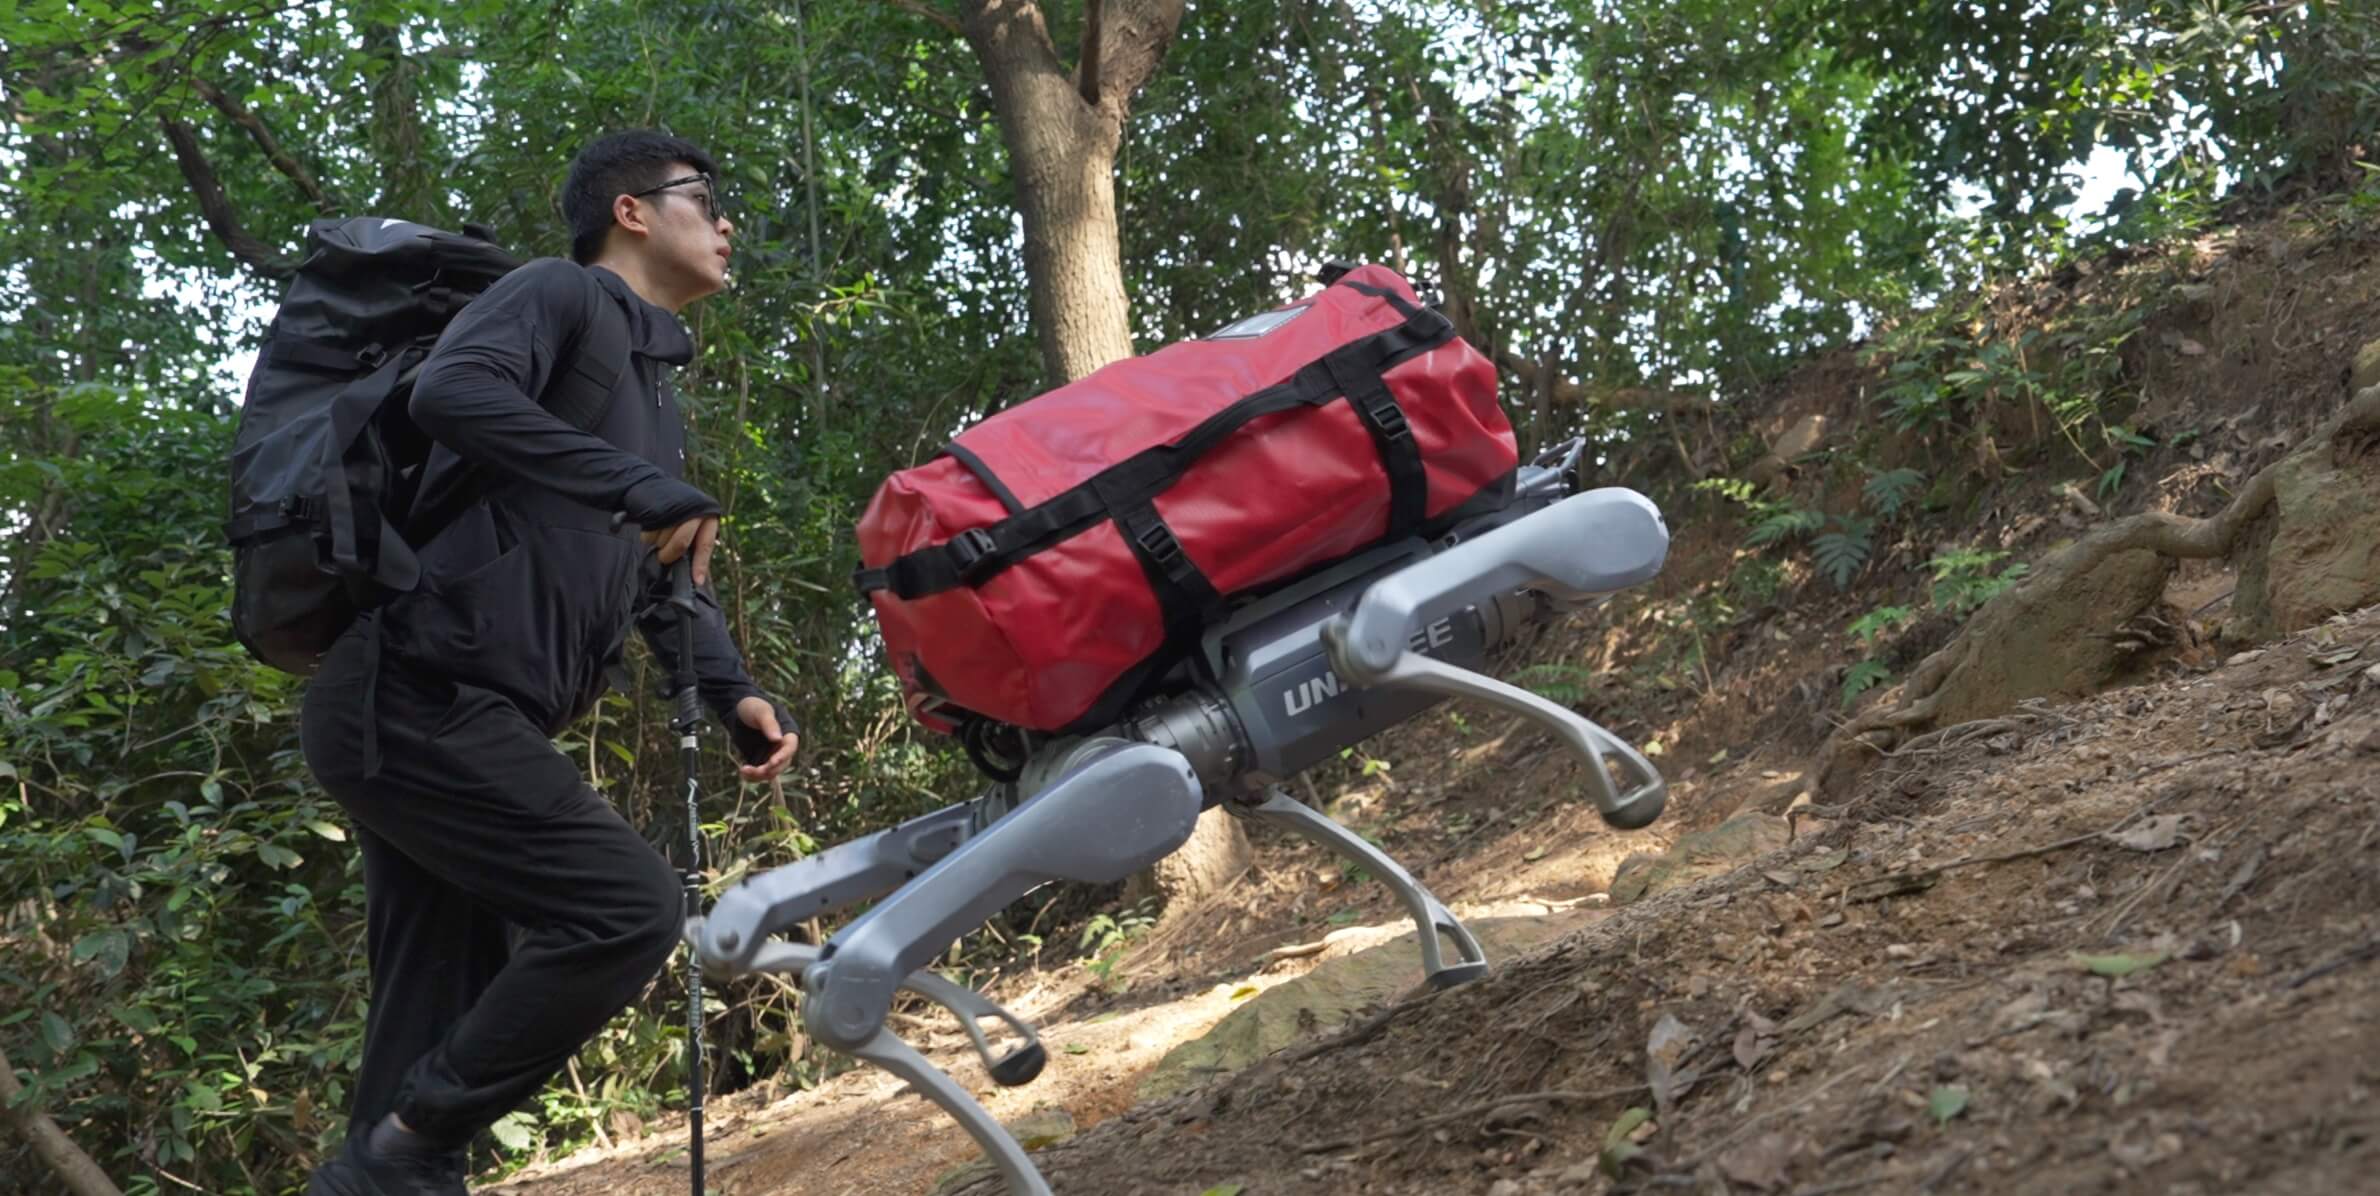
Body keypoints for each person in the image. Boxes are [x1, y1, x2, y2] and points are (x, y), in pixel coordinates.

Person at [298, 129, 799, 1196]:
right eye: (704, 199)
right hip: (414, 690)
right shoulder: (558, 294)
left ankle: (391, 1163)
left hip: (452, 708)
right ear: (631, 212)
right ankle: (407, 1146)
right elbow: (450, 390)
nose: (725, 225)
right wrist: (639, 484)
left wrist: (732, 689)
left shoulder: (650, 390)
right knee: (628, 906)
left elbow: (655, 576)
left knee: (431, 994)